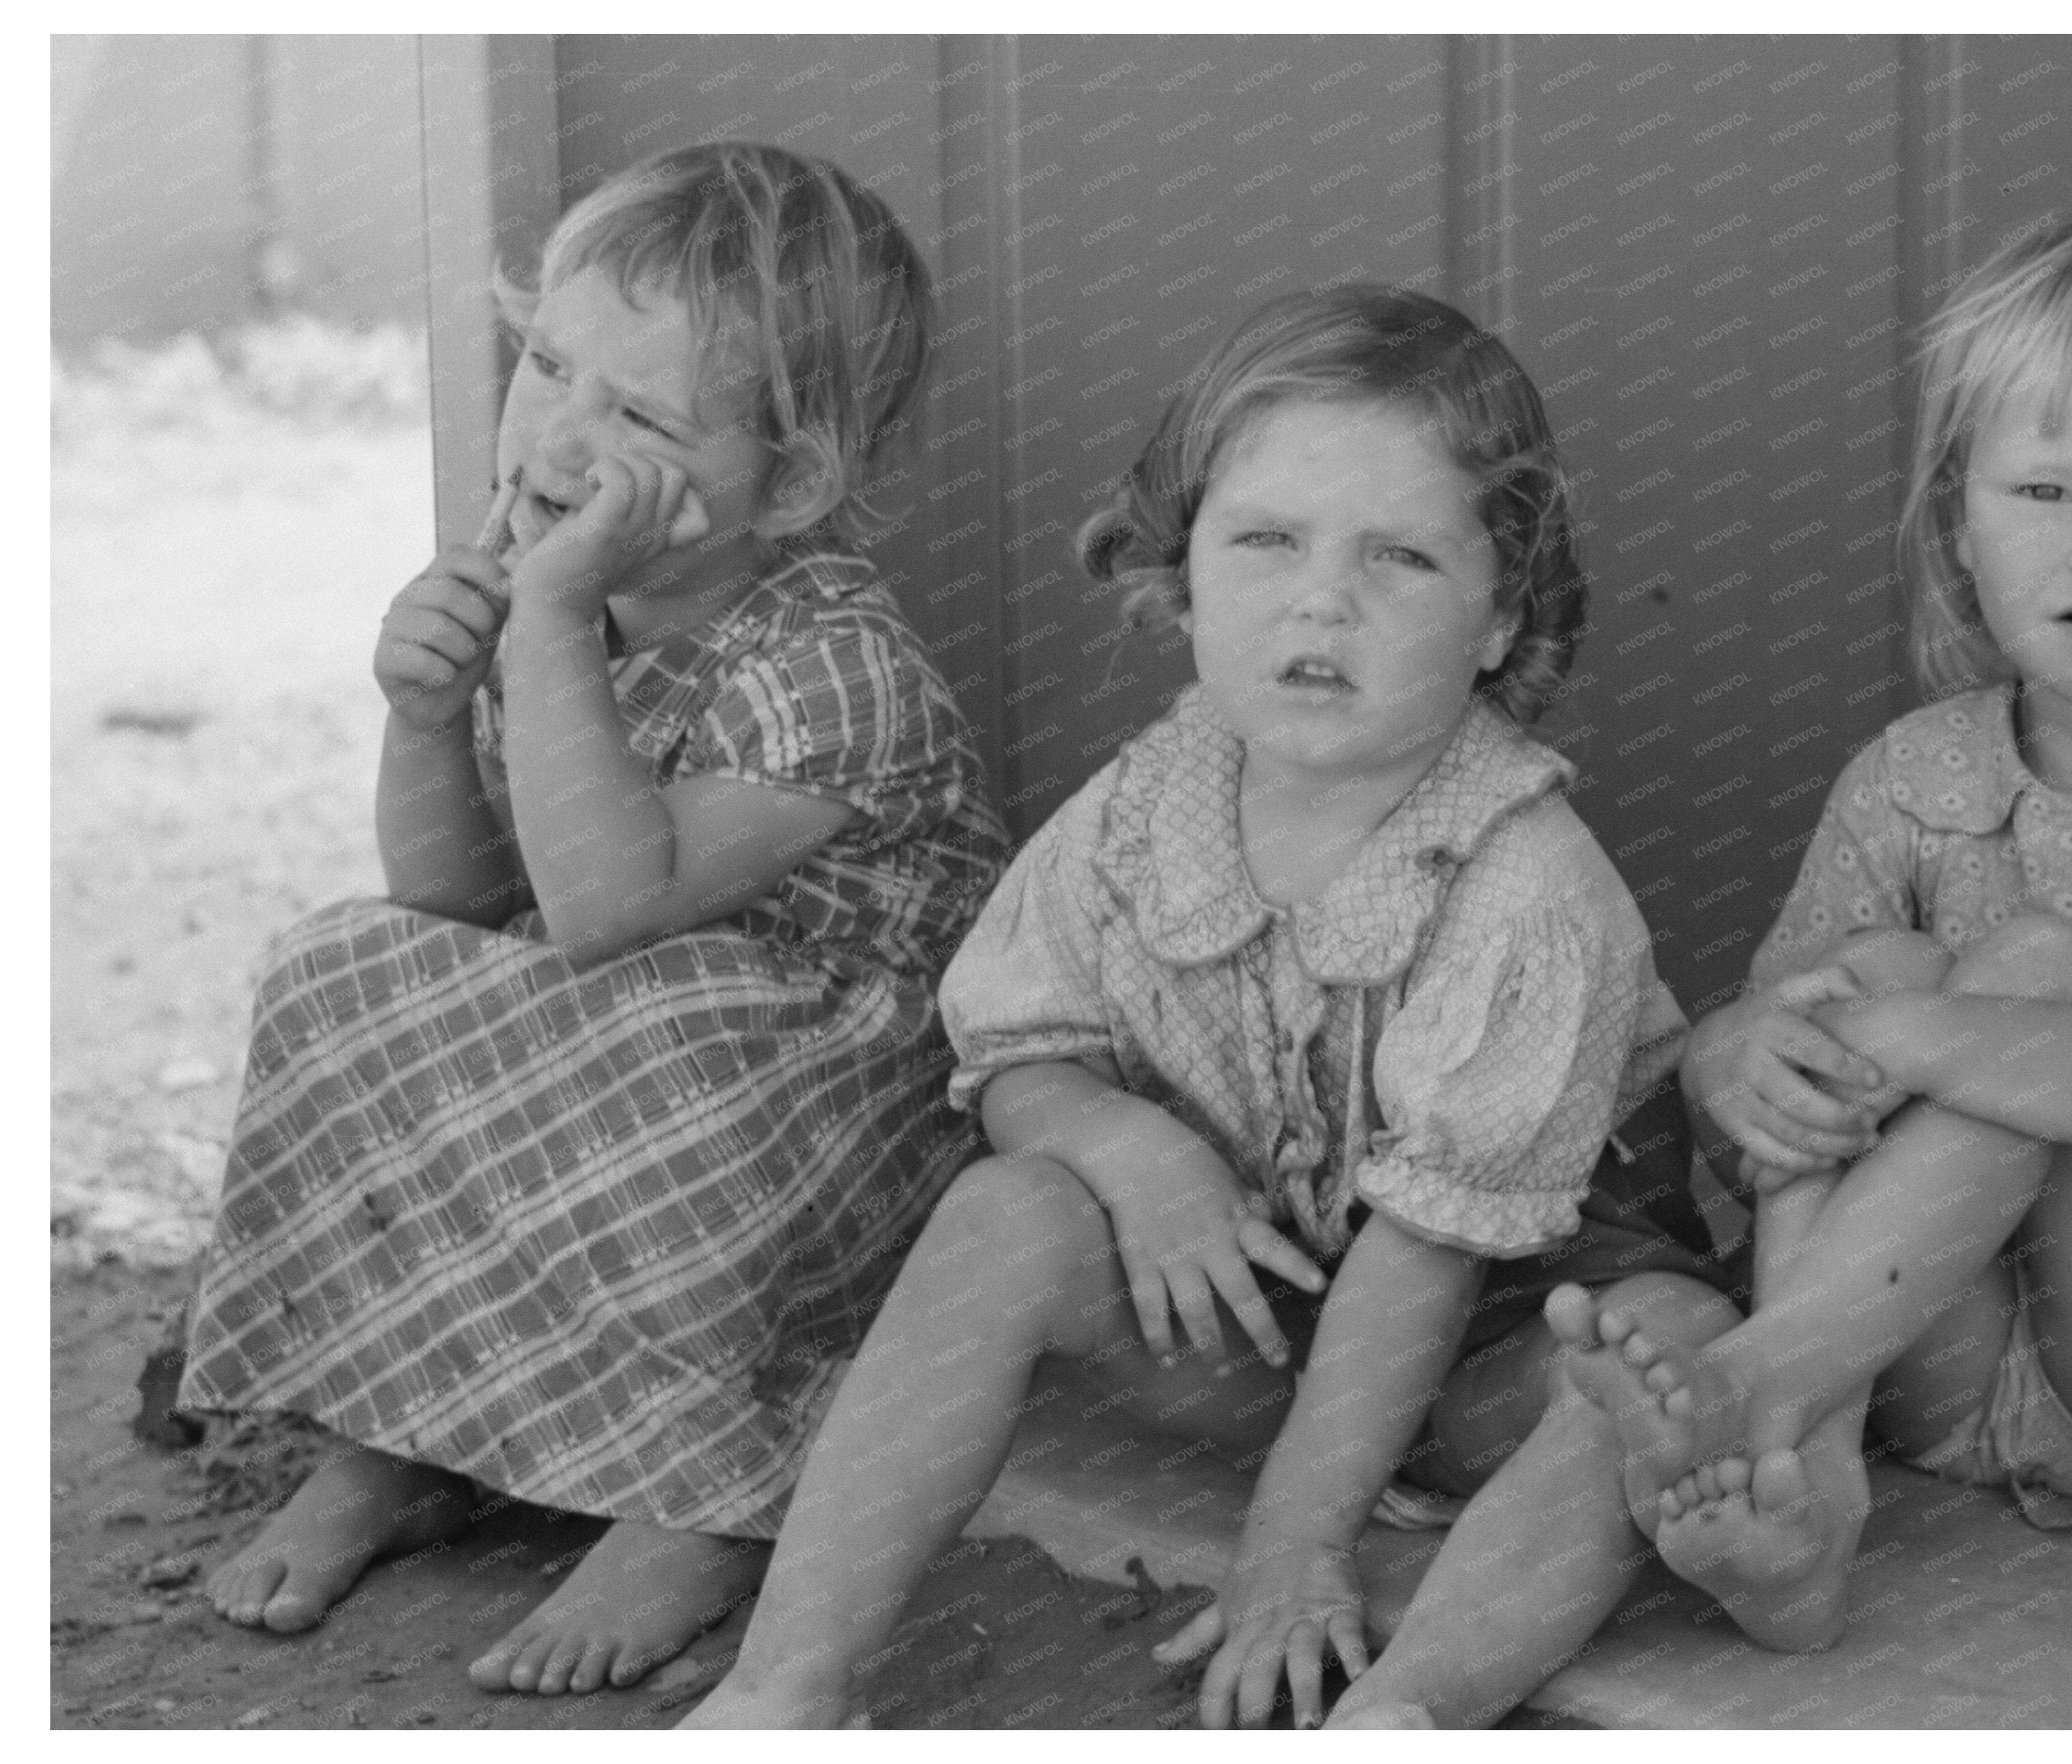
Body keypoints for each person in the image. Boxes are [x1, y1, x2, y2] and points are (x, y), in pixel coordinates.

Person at [1333, 205, 2072, 1724]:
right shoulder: (1907, 771)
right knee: (1854, 974)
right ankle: (1801, 1497)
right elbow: (1768, 1069)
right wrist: (1734, 1047)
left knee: (2036, 972)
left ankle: (1766, 1391)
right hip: (1922, 1370)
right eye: (2039, 487)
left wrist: (1924, 1036)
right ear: (1958, 521)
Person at [682, 285, 1738, 1730]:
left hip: (1503, 1337)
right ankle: (784, 1684)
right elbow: (1012, 1050)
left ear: (1499, 618)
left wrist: (1292, 1549)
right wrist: (1128, 1146)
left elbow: (1430, 1257)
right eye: (1265, 540)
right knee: (1006, 1213)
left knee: (1661, 1354)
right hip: (1265, 1318)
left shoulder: (1525, 882)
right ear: (1181, 572)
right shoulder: (1142, 811)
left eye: (1401, 558)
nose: (1322, 599)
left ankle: (1413, 1699)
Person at [180, 141, 1009, 1696]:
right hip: (620, 1035)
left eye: (637, 417)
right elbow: (458, 908)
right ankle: (401, 1428)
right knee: (344, 970)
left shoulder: (834, 662)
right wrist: (425, 716)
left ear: (794, 481)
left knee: (679, 1029)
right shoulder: (550, 591)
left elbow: (611, 906)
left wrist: (545, 625)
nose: (560, 430)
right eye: (550, 364)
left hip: (835, 1105)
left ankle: (696, 1491)